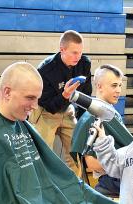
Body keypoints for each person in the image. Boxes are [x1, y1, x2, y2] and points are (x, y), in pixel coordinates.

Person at [0, 62, 117, 204]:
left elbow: (63, 180)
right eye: (29, 98)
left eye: (37, 98)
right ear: (7, 92)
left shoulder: (25, 127)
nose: (35, 106)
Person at [28, 30, 92, 173]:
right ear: (62, 50)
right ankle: (44, 191)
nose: (78, 56)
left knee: (76, 152)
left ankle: (75, 189)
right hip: (45, 112)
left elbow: (86, 94)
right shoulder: (45, 69)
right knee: (43, 156)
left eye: (80, 52)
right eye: (74, 52)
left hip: (68, 109)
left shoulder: (84, 63)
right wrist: (64, 95)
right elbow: (49, 106)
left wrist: (84, 122)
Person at [71, 64, 133, 196]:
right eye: (114, 85)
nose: (118, 90)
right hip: (113, 180)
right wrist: (125, 165)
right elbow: (92, 164)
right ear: (99, 86)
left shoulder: (110, 110)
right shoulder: (92, 118)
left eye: (120, 85)